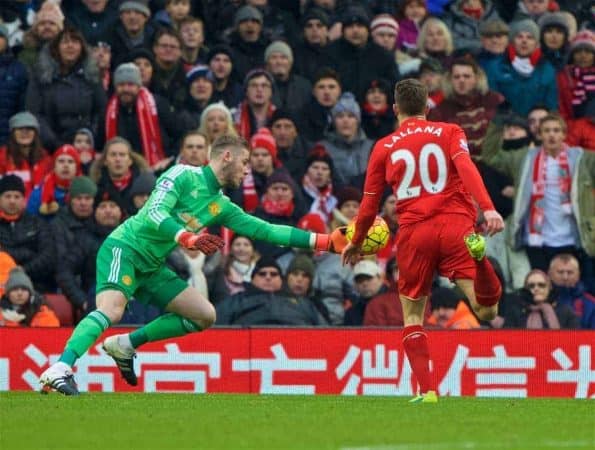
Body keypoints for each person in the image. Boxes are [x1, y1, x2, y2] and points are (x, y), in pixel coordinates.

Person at [39, 134, 346, 395]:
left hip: (152, 263)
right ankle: (60, 368)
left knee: (204, 315)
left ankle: (125, 345)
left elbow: (266, 230)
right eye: (244, 162)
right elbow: (155, 214)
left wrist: (326, 241)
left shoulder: (221, 204)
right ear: (227, 156)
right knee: (112, 309)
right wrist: (185, 237)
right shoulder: (182, 174)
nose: (246, 170)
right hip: (126, 247)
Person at [342, 79, 505, 403]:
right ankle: (480, 259)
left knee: (413, 316)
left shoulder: (384, 146)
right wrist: (488, 209)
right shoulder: (449, 132)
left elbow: (369, 204)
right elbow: (467, 167)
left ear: (395, 109)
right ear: (428, 106)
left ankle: (428, 390)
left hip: (414, 234)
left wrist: (356, 241)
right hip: (456, 226)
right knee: (486, 311)